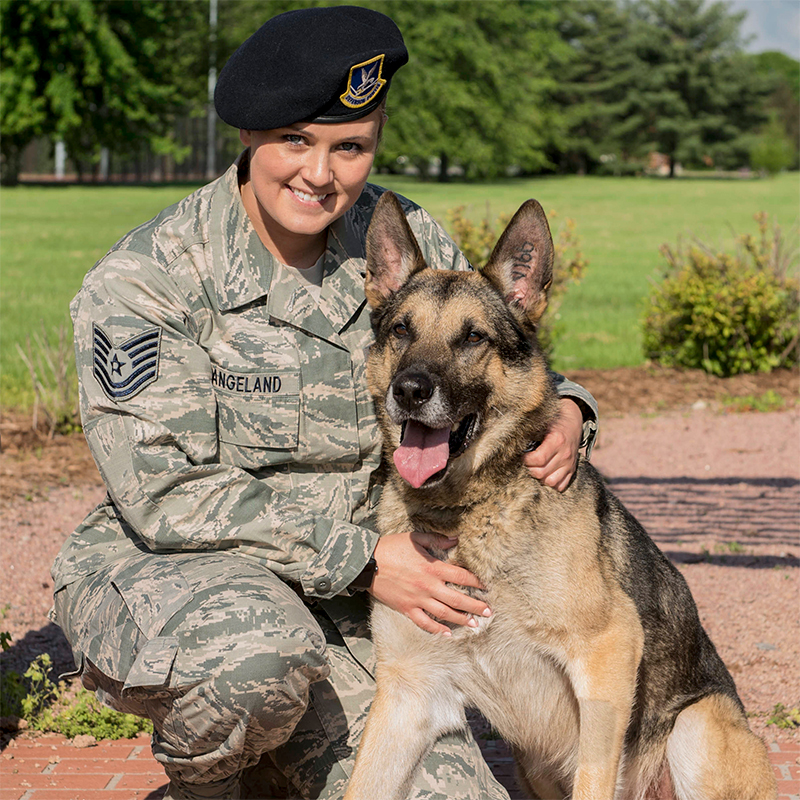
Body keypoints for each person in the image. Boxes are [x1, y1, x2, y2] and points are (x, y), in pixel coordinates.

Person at [51, 7, 598, 799]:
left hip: (351, 598)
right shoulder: (149, 280)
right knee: (256, 666)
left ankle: (283, 763)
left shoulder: (394, 234)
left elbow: (496, 344)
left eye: (350, 147)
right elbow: (164, 495)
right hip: (186, 574)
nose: (321, 173)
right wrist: (370, 559)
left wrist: (573, 410)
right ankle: (210, 785)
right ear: (249, 136)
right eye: (296, 141)